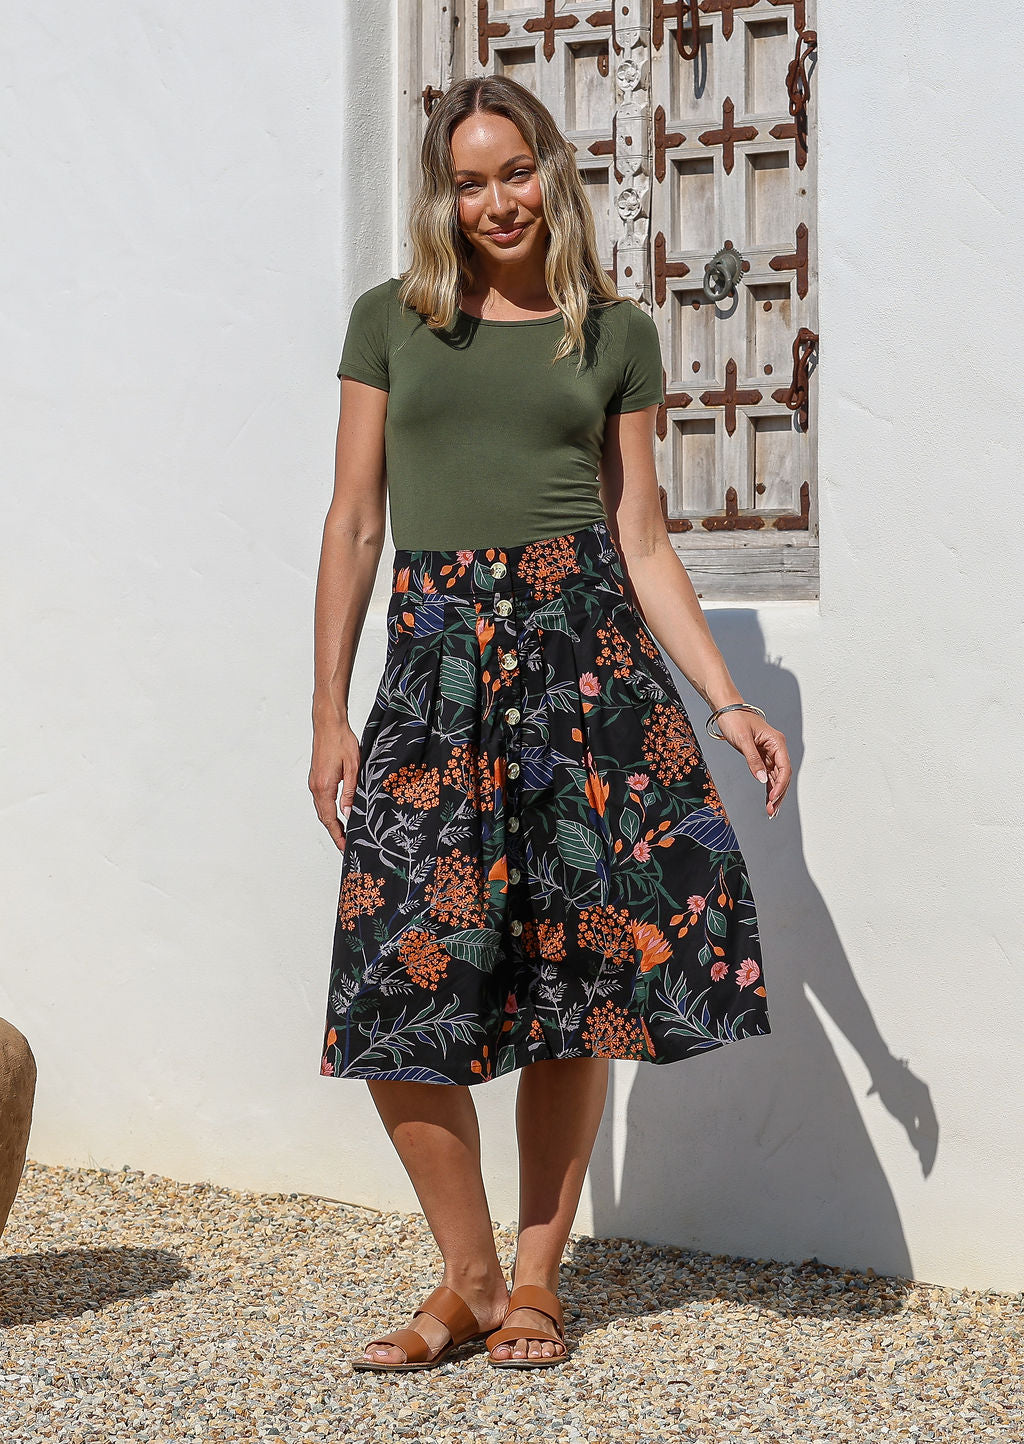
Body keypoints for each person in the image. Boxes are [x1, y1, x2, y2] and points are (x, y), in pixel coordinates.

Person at [309, 75, 791, 1371]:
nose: (496, 201)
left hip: (587, 680)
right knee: (393, 981)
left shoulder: (613, 332)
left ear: (551, 169)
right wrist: (327, 711)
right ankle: (463, 1278)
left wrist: (726, 697)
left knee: (573, 986)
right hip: (435, 678)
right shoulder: (392, 325)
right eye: (469, 182)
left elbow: (641, 538)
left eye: (513, 172)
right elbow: (356, 525)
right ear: (442, 195)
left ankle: (535, 1284)